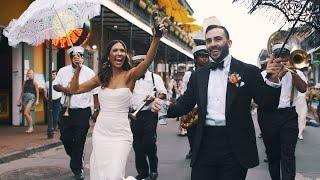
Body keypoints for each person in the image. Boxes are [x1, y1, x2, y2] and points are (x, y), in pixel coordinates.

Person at [151, 24, 283, 180]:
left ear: (229, 43)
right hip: (204, 144)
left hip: (235, 146)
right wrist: (163, 107)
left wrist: (274, 80)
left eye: (218, 39)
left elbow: (266, 104)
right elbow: (185, 103)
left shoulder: (248, 71)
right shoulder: (198, 75)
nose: (213, 43)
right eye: (209, 40)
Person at [68, 20, 166, 180]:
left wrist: (156, 38)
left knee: (113, 175)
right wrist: (78, 70)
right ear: (109, 55)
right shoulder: (102, 77)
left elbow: (147, 60)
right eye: (115, 50)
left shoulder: (130, 76)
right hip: (101, 133)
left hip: (121, 134)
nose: (119, 53)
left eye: (122, 50)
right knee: (101, 175)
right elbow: (74, 90)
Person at [260, 43, 307, 180]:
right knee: (273, 154)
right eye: (278, 55)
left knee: (288, 154)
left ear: (289, 56)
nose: (282, 58)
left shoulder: (297, 72)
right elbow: (261, 96)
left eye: (285, 55)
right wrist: (274, 75)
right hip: (270, 116)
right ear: (273, 57)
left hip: (289, 115)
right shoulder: (264, 74)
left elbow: (303, 89)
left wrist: (293, 73)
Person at [53, 46, 100, 180]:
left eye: (79, 55)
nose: (76, 57)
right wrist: (65, 89)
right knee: (66, 138)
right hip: (66, 110)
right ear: (71, 58)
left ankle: (77, 170)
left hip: (82, 112)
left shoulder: (89, 72)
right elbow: (55, 85)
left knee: (79, 141)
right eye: (74, 56)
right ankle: (77, 158)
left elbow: (96, 93)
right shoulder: (63, 71)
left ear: (82, 57)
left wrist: (96, 110)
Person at [130, 55, 167, 180]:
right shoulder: (130, 77)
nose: (139, 67)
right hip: (134, 114)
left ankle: (153, 168)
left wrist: (154, 98)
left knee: (149, 142)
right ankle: (143, 172)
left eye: (141, 64)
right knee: (137, 145)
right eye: (136, 64)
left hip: (150, 113)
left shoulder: (154, 77)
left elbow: (163, 93)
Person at [180, 42, 210, 160]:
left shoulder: (212, 72)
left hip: (207, 108)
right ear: (196, 58)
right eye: (202, 56)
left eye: (206, 56)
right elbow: (184, 90)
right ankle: (193, 149)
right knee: (191, 132)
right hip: (193, 108)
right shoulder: (189, 74)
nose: (205, 59)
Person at [17, 69, 39, 133]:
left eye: (31, 73)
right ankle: (30, 127)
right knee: (27, 114)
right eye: (28, 73)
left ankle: (31, 127)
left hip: (31, 98)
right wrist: (19, 100)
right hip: (24, 98)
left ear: (33, 74)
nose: (29, 74)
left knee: (25, 113)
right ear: (27, 74)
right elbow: (22, 91)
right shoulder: (25, 82)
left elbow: (37, 92)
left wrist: (37, 100)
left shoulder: (35, 82)